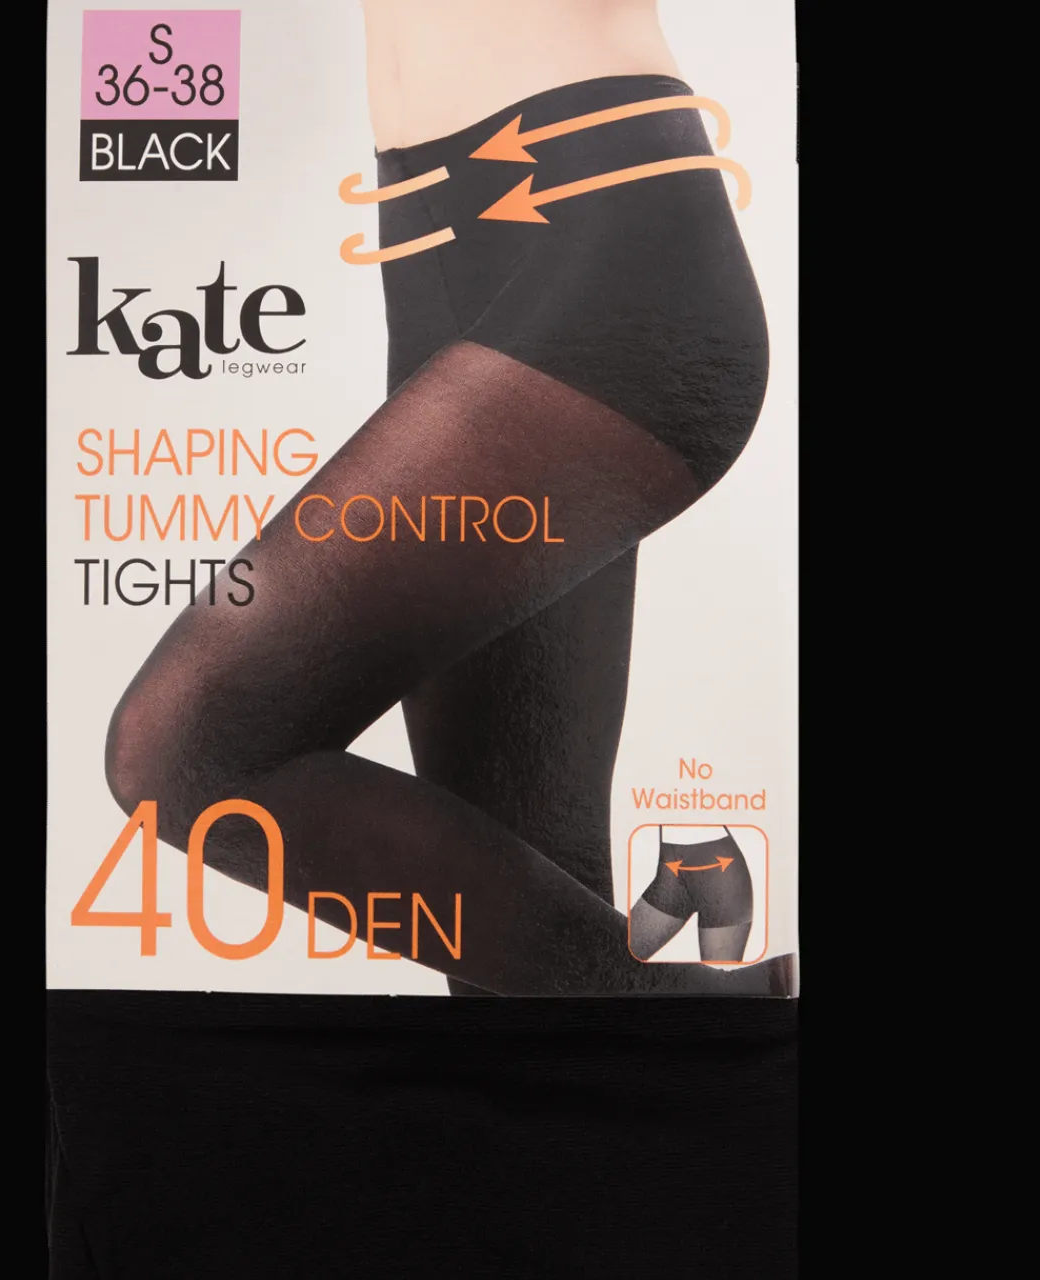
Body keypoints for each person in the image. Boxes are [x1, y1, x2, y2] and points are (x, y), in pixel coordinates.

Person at [105, 0, 790, 996]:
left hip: (604, 238)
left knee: (187, 748)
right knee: (518, 951)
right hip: (432, 244)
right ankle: (656, 1049)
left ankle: (691, 1011)